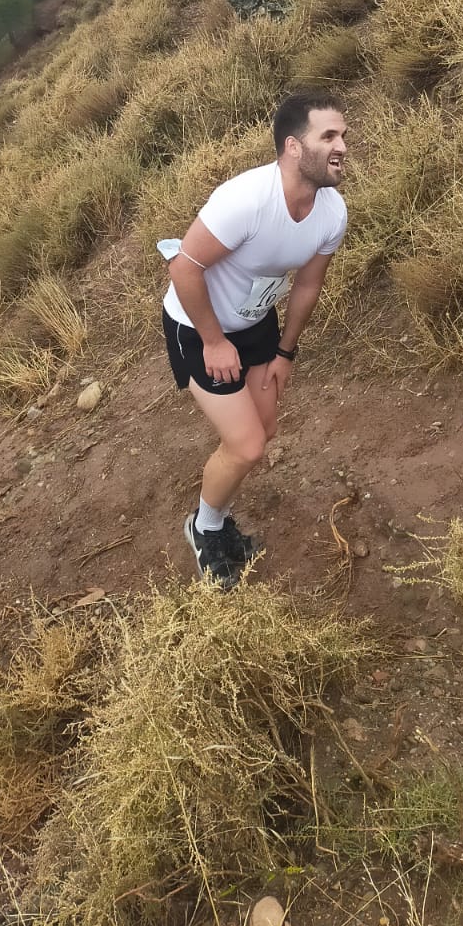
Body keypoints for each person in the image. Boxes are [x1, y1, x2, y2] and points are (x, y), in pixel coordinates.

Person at [161, 92, 349, 587]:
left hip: (256, 325)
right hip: (196, 327)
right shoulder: (246, 199)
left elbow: (308, 284)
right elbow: (184, 266)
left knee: (262, 432)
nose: (342, 146)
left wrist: (284, 351)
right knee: (246, 447)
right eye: (328, 136)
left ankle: (216, 517)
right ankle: (204, 529)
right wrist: (213, 341)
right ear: (292, 147)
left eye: (343, 135)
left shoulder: (332, 213)